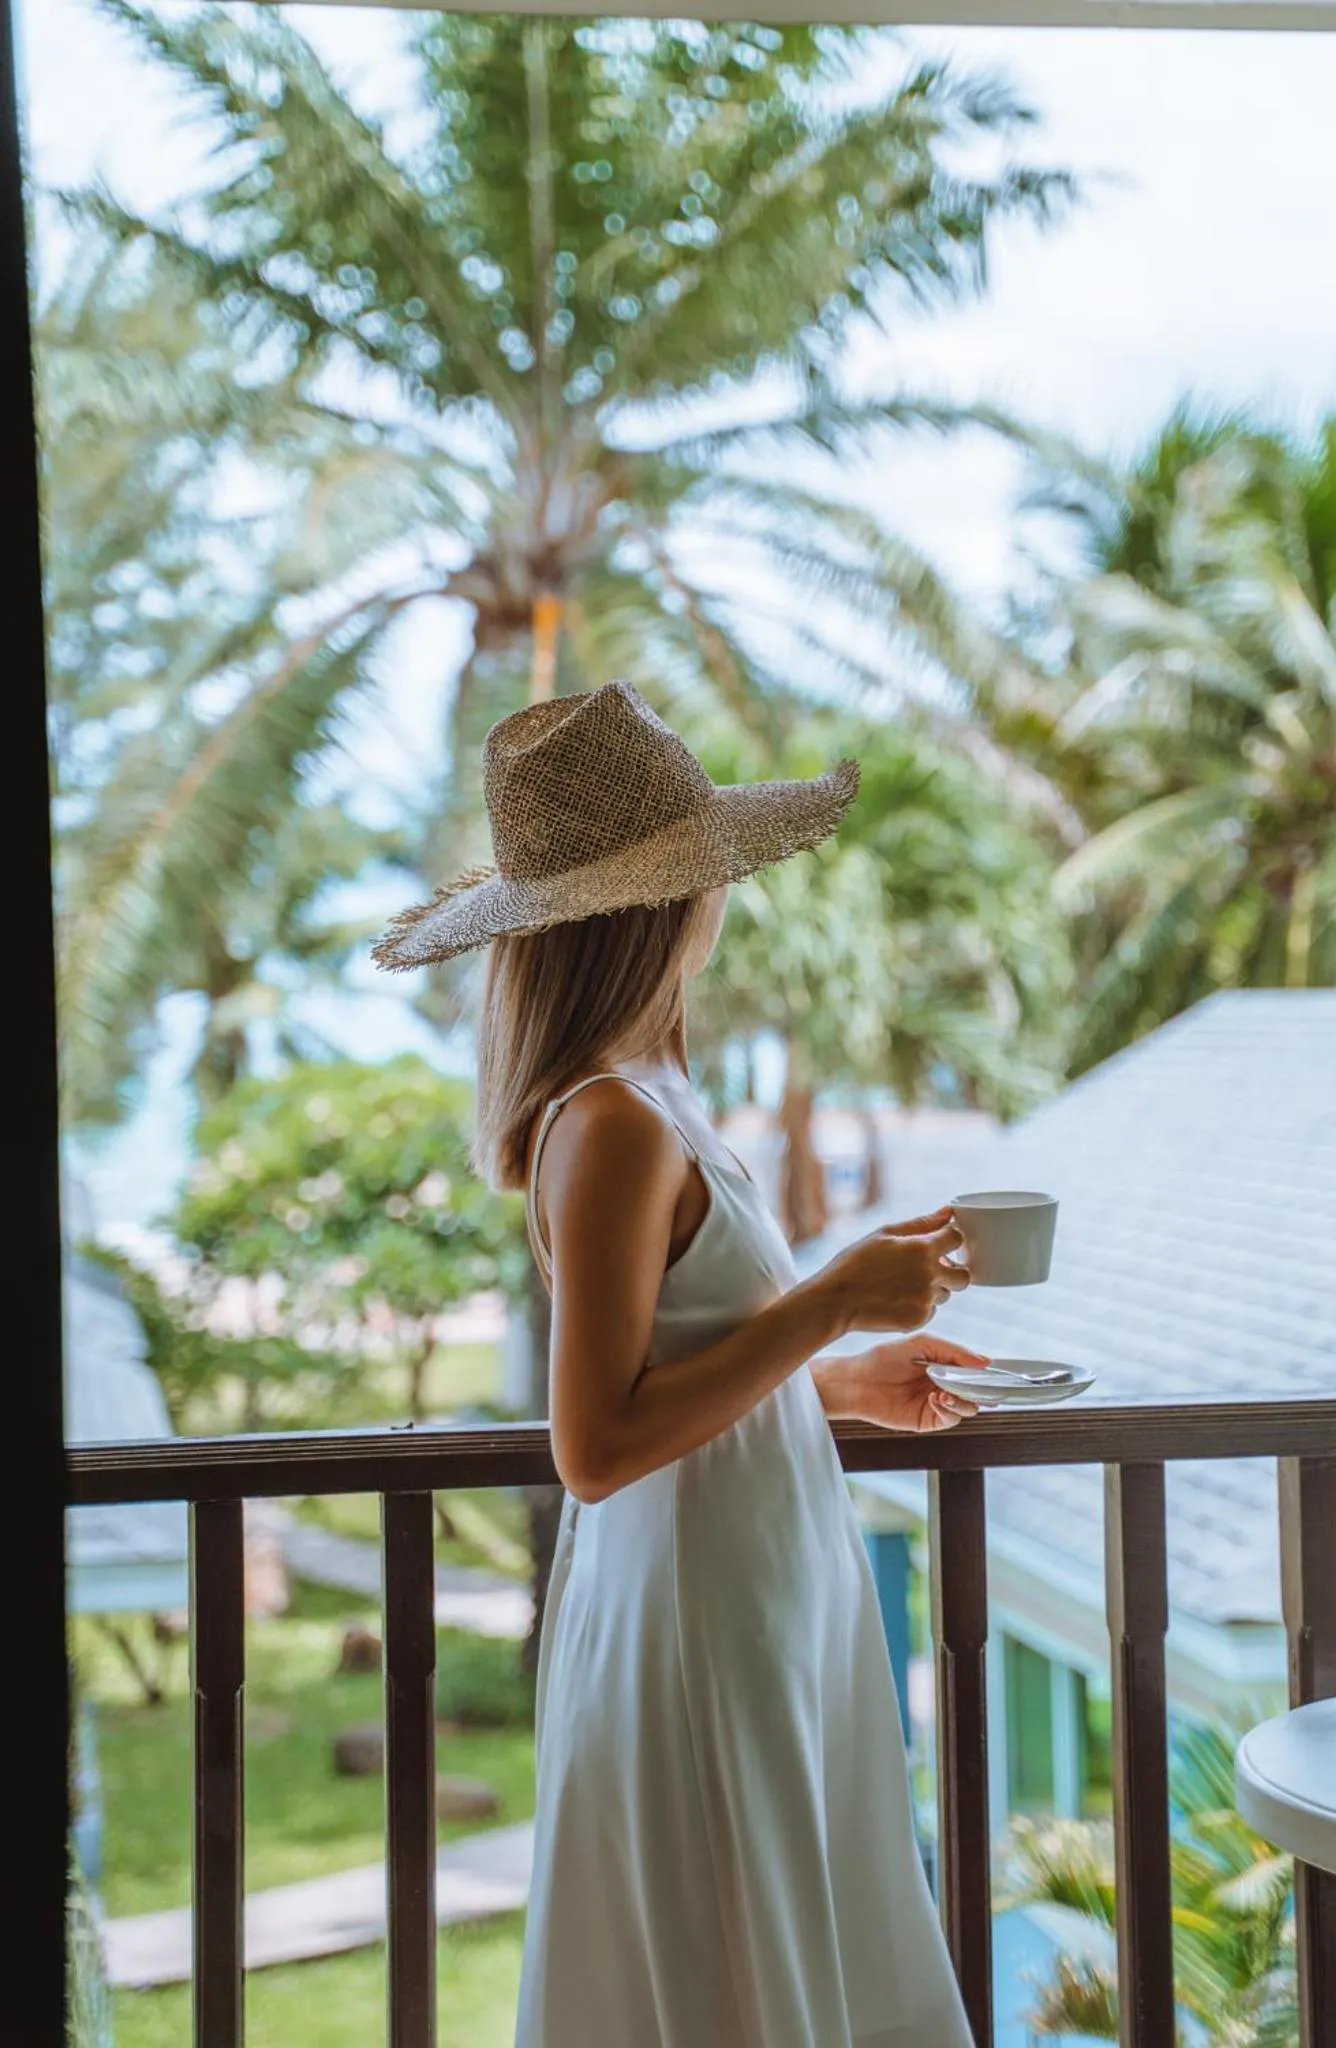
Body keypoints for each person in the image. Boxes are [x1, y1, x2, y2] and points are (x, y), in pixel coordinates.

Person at [375, 679, 985, 2048]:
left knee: (771, 1956)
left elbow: (679, 1367)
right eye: (707, 868)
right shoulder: (614, 1123)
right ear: (664, 904)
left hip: (746, 1602)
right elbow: (593, 1446)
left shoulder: (650, 1100)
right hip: (701, 1622)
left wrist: (837, 1387)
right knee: (729, 1974)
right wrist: (829, 1309)